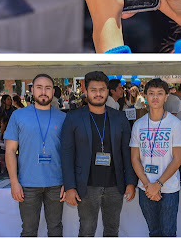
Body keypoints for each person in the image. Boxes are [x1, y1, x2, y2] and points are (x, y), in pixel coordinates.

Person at [60, 71, 137, 237]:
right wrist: (70, 186)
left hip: (115, 186)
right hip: (86, 186)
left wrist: (130, 181)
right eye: (93, 90)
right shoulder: (73, 118)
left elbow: (127, 151)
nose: (98, 93)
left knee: (112, 231)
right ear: (86, 92)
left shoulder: (119, 117)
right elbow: (66, 154)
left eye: (102, 89)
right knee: (87, 231)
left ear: (107, 91)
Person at [4, 74, 67, 236]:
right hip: (27, 185)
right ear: (32, 90)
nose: (43, 92)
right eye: (39, 87)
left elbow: (69, 153)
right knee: (29, 231)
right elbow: (10, 151)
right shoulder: (18, 116)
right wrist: (13, 182)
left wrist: (68, 182)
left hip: (56, 184)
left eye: (48, 88)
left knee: (55, 229)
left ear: (53, 91)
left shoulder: (63, 118)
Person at [130, 78, 181, 237]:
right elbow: (135, 158)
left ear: (166, 96)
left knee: (168, 233)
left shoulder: (175, 123)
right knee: (154, 232)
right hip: (145, 188)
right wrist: (149, 185)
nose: (155, 97)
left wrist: (158, 184)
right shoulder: (138, 125)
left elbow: (177, 159)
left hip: (168, 188)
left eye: (160, 93)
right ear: (145, 96)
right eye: (151, 93)